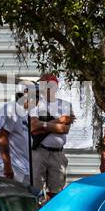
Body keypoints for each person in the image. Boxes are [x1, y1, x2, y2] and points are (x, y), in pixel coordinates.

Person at [28, 73, 74, 202]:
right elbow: (33, 128)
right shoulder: (35, 104)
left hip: (58, 154)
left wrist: (42, 125)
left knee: (56, 191)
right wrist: (58, 120)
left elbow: (64, 129)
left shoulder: (65, 105)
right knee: (35, 189)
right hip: (39, 152)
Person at [0, 82, 36, 186]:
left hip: (23, 167)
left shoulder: (22, 112)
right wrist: (7, 166)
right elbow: (2, 137)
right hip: (13, 168)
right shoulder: (11, 110)